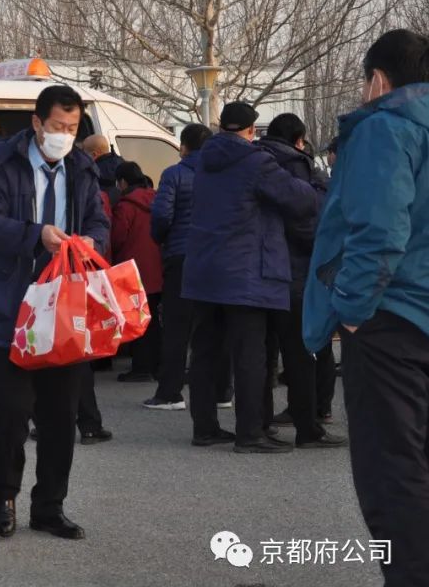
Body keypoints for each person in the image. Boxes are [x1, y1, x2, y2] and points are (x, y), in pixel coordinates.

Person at [304, 29, 429, 587]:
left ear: (378, 79)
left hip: (393, 320)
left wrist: (352, 311)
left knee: (393, 471)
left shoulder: (386, 126)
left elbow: (378, 230)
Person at [0, 85, 110, 540]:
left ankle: (50, 506)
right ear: (37, 123)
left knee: (60, 414)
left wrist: (90, 241)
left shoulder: (83, 168)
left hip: (65, 310)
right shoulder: (0, 165)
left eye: (72, 128)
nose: (64, 136)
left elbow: (99, 223)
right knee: (11, 409)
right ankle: (4, 495)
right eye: (57, 127)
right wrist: (34, 234)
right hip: (11, 305)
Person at [182, 101, 317, 453]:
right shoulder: (256, 161)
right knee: (249, 353)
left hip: (204, 268)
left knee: (206, 351)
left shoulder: (204, 161)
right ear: (250, 130)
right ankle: (250, 431)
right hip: (245, 271)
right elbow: (300, 200)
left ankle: (205, 427)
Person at [255, 114, 346, 449]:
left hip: (259, 271)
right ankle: (308, 426)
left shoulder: (255, 161)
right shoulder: (296, 165)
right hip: (294, 271)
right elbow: (306, 220)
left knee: (263, 352)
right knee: (301, 351)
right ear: (298, 138)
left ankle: (260, 424)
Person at [144, 124, 211, 410]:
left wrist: (161, 240)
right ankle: (220, 392)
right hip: (214, 257)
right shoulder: (219, 175)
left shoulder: (174, 175)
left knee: (176, 328)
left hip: (181, 256)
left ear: (183, 147)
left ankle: (170, 392)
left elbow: (161, 215)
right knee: (212, 329)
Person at [110, 161, 163, 383]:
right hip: (158, 267)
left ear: (122, 182)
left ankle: (141, 367)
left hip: (134, 270)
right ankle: (158, 365)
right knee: (154, 321)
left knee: (138, 319)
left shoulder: (125, 206)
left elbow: (117, 238)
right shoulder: (158, 198)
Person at [82, 134, 124, 206]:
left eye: (84, 153)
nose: (82, 156)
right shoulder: (125, 167)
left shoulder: (92, 173)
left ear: (94, 155)